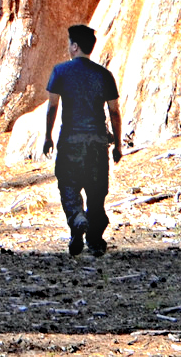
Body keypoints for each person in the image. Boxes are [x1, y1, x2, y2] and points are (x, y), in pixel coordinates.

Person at [43, 23, 123, 257]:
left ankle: (77, 218)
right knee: (97, 191)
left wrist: (48, 136)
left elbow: (52, 107)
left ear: (75, 46)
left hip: (70, 141)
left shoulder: (60, 72)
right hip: (98, 142)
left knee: (68, 185)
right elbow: (114, 112)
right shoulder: (104, 75)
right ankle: (96, 240)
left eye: (69, 43)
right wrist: (117, 144)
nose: (68, 47)